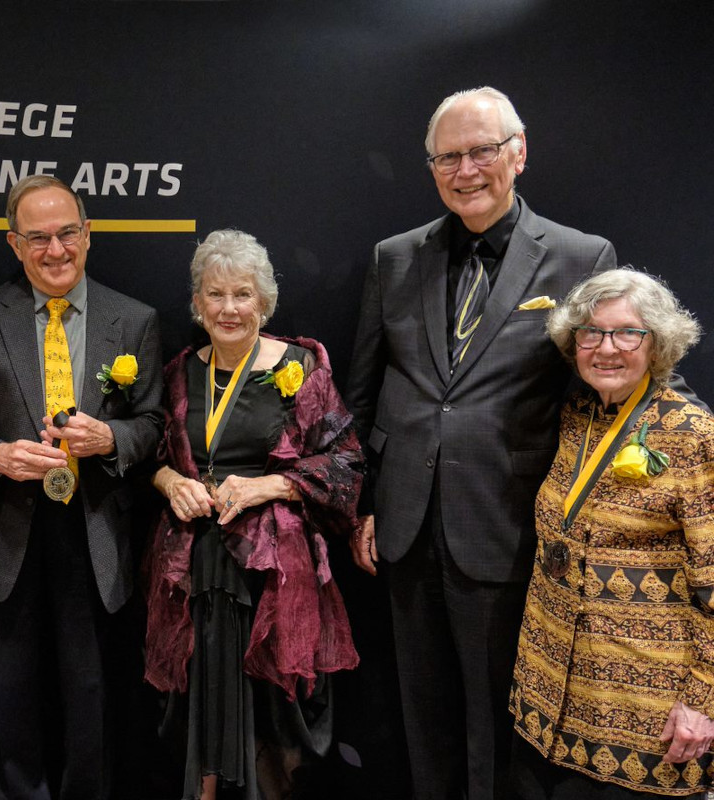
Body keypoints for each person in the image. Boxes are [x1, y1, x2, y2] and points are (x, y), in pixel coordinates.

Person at [343, 86, 618, 800]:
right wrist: (366, 504)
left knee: (502, 722)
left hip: (509, 527)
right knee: (421, 715)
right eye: (448, 158)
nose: (466, 170)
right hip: (404, 529)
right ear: (431, 167)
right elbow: (365, 395)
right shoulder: (394, 258)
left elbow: (596, 405)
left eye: (482, 152)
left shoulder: (581, 258)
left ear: (518, 154)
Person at [0, 174, 165, 800]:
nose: (55, 250)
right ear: (15, 245)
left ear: (88, 235)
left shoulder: (135, 319)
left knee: (91, 692)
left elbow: (152, 423)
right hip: (7, 531)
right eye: (37, 238)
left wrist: (113, 440)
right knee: (10, 694)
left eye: (67, 233)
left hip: (93, 533)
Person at [143, 230, 362, 799]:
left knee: (272, 715)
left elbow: (345, 463)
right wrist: (172, 484)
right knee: (199, 707)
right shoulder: (180, 371)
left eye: (243, 294)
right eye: (215, 295)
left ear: (263, 301)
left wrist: (270, 485)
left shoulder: (302, 366)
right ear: (198, 304)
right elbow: (155, 458)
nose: (229, 308)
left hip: (271, 572)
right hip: (196, 568)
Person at [509, 269, 714, 798]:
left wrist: (702, 702)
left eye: (628, 333)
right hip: (551, 685)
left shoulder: (694, 434)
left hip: (644, 710)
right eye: (591, 333)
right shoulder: (578, 412)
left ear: (658, 342)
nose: (607, 348)